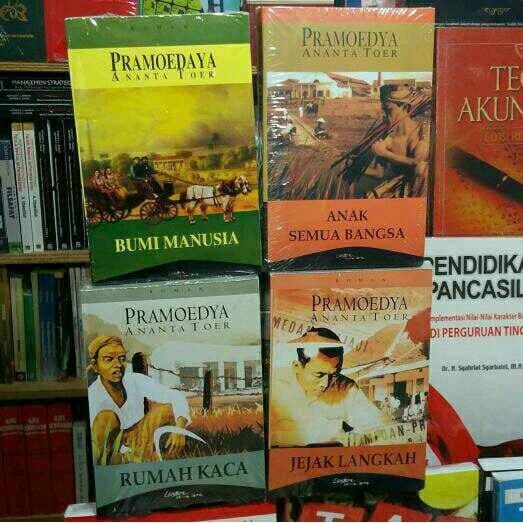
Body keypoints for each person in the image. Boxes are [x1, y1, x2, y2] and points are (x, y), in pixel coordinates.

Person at [270, 327, 388, 447]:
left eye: (333, 375)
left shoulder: (347, 388)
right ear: (297, 366)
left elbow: (379, 430)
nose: (326, 383)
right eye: (319, 375)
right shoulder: (274, 387)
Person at [88, 335, 191, 465]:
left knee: (166, 409)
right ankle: (137, 459)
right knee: (106, 418)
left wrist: (179, 429)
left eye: (122, 359)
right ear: (95, 366)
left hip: (140, 439)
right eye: (109, 359)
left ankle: (143, 458)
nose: (118, 365)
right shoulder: (93, 395)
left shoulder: (134, 380)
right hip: (112, 449)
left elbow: (176, 396)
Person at [367, 84, 429, 198]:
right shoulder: (387, 135)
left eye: (388, 109)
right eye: (384, 109)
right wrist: (357, 169)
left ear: (402, 106)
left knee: (422, 168)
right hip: (398, 186)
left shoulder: (419, 130)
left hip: (418, 188)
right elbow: (379, 173)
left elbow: (417, 163)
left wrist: (384, 153)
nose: (385, 115)